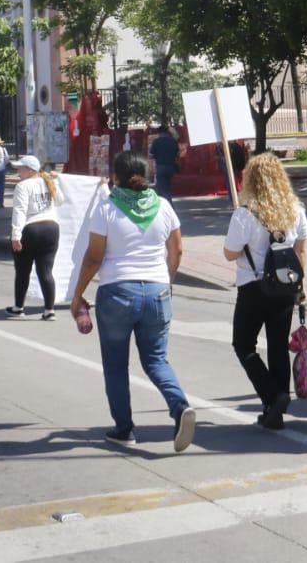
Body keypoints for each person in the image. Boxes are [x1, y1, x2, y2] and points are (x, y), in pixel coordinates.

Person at [70, 150, 195, 450]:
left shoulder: (107, 208)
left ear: (116, 177)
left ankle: (124, 429)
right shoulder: (163, 206)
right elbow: (177, 250)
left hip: (117, 293)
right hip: (157, 291)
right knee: (156, 359)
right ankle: (180, 408)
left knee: (115, 365)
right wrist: (167, 280)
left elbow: (93, 258)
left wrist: (77, 296)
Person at [221, 152, 307, 430]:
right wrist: (300, 287)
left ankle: (273, 395)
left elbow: (230, 254)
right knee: (278, 347)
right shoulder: (295, 209)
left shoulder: (245, 213)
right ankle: (275, 409)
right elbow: (300, 251)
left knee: (244, 345)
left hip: (253, 287)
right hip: (285, 287)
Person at [6, 155, 62, 319]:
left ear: (30, 170)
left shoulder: (23, 186)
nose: (18, 171)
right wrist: (56, 182)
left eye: (21, 168)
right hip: (51, 228)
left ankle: (18, 307)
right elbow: (60, 201)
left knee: (23, 270)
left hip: (31, 229)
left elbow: (20, 211)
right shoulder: (49, 182)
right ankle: (49, 310)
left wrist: (16, 235)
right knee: (46, 271)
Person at [150, 125, 180, 202]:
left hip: (161, 167)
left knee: (163, 188)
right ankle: (165, 203)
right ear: (167, 132)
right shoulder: (173, 141)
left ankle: (168, 205)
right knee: (166, 186)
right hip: (171, 167)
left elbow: (151, 155)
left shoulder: (156, 141)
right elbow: (178, 154)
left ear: (159, 133)